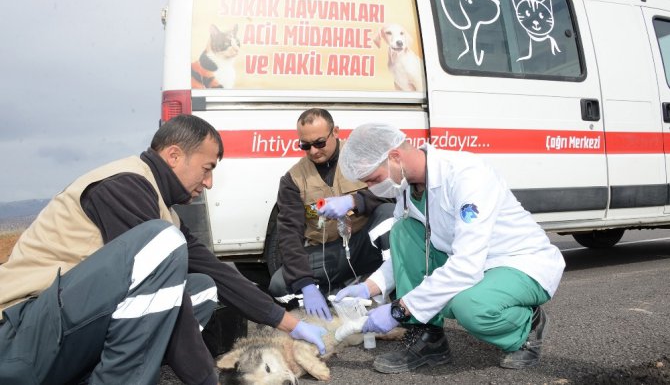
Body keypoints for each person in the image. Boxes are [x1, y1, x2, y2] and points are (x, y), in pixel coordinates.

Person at [0, 115, 328, 385]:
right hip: (22, 335)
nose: (209, 182)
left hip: (62, 336)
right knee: (166, 245)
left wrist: (290, 324)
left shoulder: (159, 207)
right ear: (174, 156)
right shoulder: (123, 187)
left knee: (203, 286)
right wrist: (204, 379)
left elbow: (215, 270)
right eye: (207, 167)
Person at [335, 123, 565, 373]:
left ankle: (527, 325)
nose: (371, 188)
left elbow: (467, 265)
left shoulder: (466, 175)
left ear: (394, 157)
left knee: (469, 306)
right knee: (402, 230)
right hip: (469, 259)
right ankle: (428, 338)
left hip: (517, 261)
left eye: (373, 179)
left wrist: (400, 309)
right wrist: (369, 287)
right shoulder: (407, 187)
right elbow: (409, 251)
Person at [268, 108, 395, 321]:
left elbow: (391, 192)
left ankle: (398, 299)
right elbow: (289, 236)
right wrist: (306, 284)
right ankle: (334, 296)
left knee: (390, 216)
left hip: (365, 245)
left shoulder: (360, 158)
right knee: (280, 285)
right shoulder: (292, 180)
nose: (313, 151)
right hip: (329, 252)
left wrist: (354, 200)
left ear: (335, 132)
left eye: (319, 143)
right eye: (305, 145)